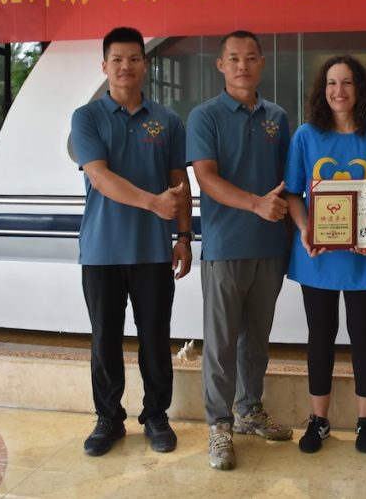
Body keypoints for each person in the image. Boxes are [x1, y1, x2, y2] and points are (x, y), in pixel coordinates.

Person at [71, 26, 192, 457]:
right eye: (117, 59)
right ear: (105, 66)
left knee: (156, 337)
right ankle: (108, 419)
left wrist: (183, 234)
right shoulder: (86, 118)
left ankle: (156, 415)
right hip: (102, 250)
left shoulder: (169, 121)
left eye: (134, 59)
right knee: (104, 339)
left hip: (153, 251)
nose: (126, 66)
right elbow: (99, 177)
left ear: (145, 64)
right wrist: (152, 203)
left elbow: (180, 183)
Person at [186, 31, 294, 471]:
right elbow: (206, 178)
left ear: (262, 63)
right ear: (220, 65)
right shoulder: (204, 116)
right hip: (225, 247)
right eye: (234, 58)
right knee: (221, 343)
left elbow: (290, 179)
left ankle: (249, 412)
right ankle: (219, 426)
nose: (242, 65)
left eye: (251, 57)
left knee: (257, 342)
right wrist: (254, 203)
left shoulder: (278, 116)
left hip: (270, 247)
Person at [283, 55, 366, 454]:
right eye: (332, 83)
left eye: (347, 83)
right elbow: (293, 194)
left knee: (364, 337)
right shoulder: (305, 136)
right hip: (317, 256)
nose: (339, 91)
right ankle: (319, 421)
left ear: (360, 89)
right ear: (322, 90)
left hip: (365, 256)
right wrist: (304, 228)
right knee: (320, 337)